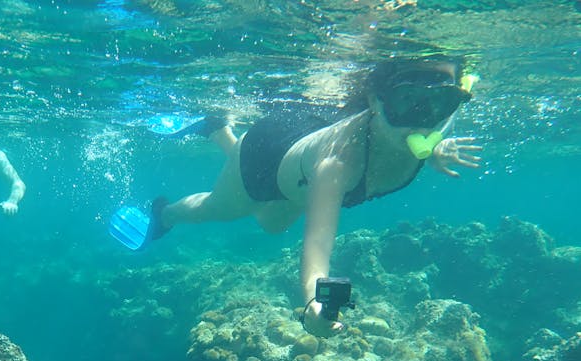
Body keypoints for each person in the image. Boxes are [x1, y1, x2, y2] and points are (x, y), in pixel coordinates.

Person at [128, 55, 481, 337]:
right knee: (221, 208)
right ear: (375, 101)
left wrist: (434, 151)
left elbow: (416, 132)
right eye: (409, 102)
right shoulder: (337, 165)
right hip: (265, 153)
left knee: (271, 225)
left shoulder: (421, 131)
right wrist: (314, 302)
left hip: (303, 155)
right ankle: (164, 215)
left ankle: (218, 130)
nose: (426, 123)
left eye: (444, 102)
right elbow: (317, 246)